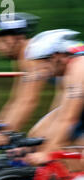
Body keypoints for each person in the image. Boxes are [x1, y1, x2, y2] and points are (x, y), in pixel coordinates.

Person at [0, 13, 51, 146]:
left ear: (13, 38)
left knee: (43, 142)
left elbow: (29, 100)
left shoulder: (32, 54)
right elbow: (16, 100)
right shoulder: (22, 58)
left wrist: (6, 135)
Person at [22, 30, 84, 165]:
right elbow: (61, 114)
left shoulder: (79, 67)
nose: (40, 69)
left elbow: (69, 118)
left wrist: (47, 153)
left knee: (79, 156)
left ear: (56, 56)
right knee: (37, 136)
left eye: (42, 62)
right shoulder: (67, 68)